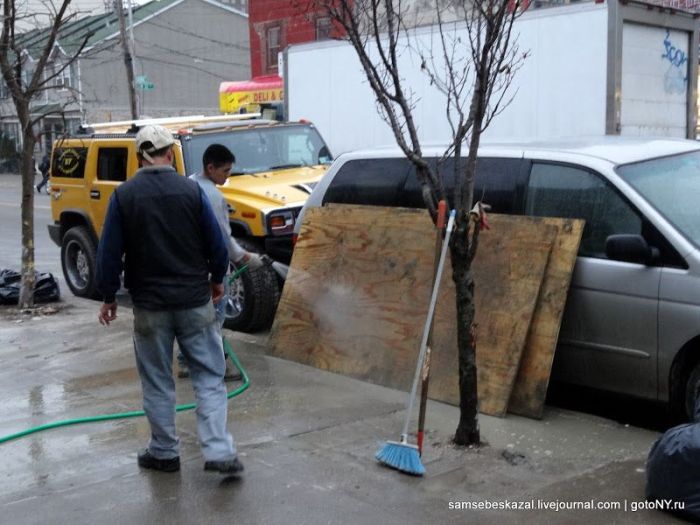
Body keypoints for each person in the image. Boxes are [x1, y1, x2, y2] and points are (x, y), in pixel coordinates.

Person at [95, 124, 243, 475]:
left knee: (158, 381)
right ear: (169, 153)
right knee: (208, 376)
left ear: (138, 157)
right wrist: (218, 280)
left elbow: (109, 252)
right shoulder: (192, 192)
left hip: (150, 308)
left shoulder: (124, 195)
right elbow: (217, 245)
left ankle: (164, 452)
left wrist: (107, 296)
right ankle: (220, 452)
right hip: (194, 301)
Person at [177, 143, 264, 380]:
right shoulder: (213, 195)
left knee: (192, 318)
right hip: (211, 268)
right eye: (225, 171)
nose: (228, 177)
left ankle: (186, 362)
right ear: (211, 167)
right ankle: (218, 367)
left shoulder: (188, 184)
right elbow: (222, 236)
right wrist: (244, 256)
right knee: (214, 319)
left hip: (189, 268)